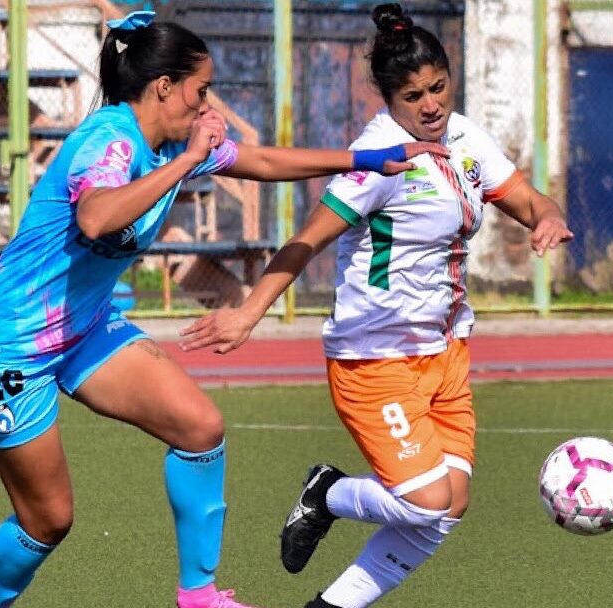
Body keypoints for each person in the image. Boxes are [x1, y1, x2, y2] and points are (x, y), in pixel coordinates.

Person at [0, 10, 443, 608]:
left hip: (81, 330)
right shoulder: (110, 141)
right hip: (8, 347)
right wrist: (188, 160)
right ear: (164, 88)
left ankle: (199, 597)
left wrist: (364, 160)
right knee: (48, 520)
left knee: (200, 428)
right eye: (201, 90)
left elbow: (260, 163)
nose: (208, 102)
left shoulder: (171, 141)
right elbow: (96, 217)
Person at [178, 4, 574, 608]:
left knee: (450, 505)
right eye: (413, 95)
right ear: (388, 99)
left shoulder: (466, 138)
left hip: (446, 353)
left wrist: (547, 216)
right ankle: (329, 493)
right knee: (425, 501)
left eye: (438, 86)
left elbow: (524, 196)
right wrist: (248, 311)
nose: (431, 104)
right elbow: (308, 239)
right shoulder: (381, 156)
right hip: (375, 358)